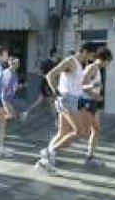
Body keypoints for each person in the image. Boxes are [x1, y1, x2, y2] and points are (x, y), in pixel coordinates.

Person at [35, 43, 101, 173]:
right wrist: (57, 93)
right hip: (67, 100)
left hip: (72, 100)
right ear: (84, 51)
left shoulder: (80, 65)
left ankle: (46, 160)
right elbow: (50, 75)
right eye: (91, 55)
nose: (91, 58)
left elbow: (78, 86)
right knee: (80, 132)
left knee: (63, 132)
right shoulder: (71, 60)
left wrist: (91, 87)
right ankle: (49, 154)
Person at [78, 47, 114, 166]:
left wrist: (96, 90)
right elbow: (82, 85)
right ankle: (51, 151)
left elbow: (91, 84)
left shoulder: (96, 69)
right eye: (109, 61)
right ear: (105, 59)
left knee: (96, 130)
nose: (108, 64)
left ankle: (90, 157)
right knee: (81, 132)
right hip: (86, 102)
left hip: (92, 102)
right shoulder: (92, 67)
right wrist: (95, 95)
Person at [20, 48, 60, 123]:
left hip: (52, 85)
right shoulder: (46, 62)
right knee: (51, 102)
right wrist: (46, 76)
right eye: (58, 53)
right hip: (46, 85)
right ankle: (56, 120)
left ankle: (26, 112)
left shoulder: (56, 63)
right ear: (54, 54)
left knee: (41, 101)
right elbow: (38, 72)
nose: (59, 54)